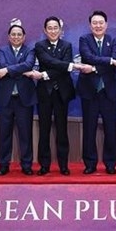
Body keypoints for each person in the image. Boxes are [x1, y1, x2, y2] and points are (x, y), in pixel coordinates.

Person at [35, 16, 83, 176]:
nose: (53, 31)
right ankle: (44, 165)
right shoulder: (39, 45)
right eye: (50, 28)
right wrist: (70, 66)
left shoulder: (67, 45)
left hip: (62, 92)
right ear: (45, 30)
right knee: (44, 130)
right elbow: (48, 60)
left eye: (56, 28)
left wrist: (45, 75)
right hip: (45, 93)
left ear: (60, 30)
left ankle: (63, 165)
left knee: (62, 129)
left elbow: (61, 68)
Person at [77, 10, 116, 175]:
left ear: (106, 25)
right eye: (94, 23)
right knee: (89, 129)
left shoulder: (113, 40)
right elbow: (87, 56)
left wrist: (96, 67)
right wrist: (109, 61)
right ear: (90, 25)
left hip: (109, 91)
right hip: (89, 91)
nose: (98, 25)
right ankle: (90, 163)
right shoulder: (84, 39)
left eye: (101, 23)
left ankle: (110, 163)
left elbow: (114, 60)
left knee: (110, 129)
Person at [0, 24, 37, 176]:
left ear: (24, 37)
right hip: (6, 98)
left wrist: (7, 70)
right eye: (13, 34)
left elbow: (29, 64)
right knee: (5, 133)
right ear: (9, 36)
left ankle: (26, 164)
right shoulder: (1, 50)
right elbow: (1, 65)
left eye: (19, 34)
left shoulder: (30, 50)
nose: (16, 37)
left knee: (26, 134)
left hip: (24, 99)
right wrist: (18, 70)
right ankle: (3, 164)